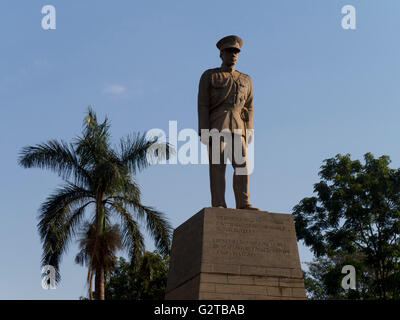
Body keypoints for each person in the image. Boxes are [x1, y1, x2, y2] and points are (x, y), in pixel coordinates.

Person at [197, 35, 259, 210]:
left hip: (238, 127)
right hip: (217, 125)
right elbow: (203, 104)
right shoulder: (209, 76)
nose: (233, 54)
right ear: (221, 54)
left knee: (243, 166)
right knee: (217, 167)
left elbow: (250, 105)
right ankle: (218, 203)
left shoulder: (246, 79)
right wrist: (203, 130)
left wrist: (250, 129)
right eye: (229, 51)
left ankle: (243, 202)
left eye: (236, 52)